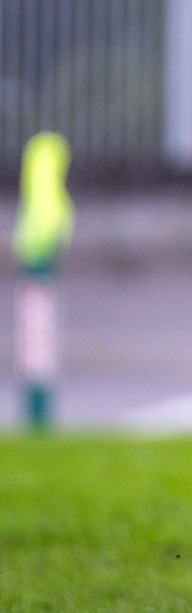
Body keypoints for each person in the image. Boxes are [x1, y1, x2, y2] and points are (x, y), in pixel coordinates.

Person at [14, 131, 73, 430]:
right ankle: (36, 420)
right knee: (36, 343)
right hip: (37, 264)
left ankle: (37, 420)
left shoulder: (38, 179)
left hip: (36, 262)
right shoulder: (46, 187)